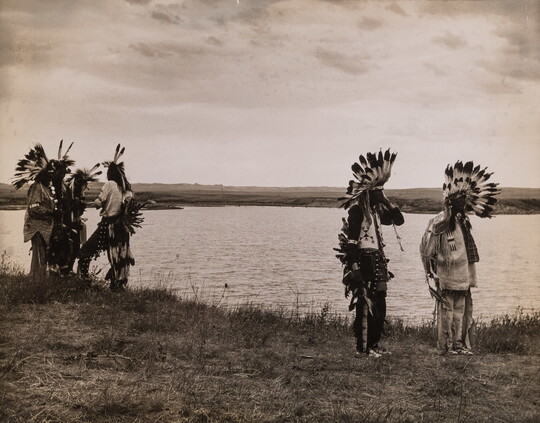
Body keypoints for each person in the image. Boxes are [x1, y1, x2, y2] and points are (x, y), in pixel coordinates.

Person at [420, 161, 501, 356]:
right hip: (446, 273)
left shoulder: (463, 220)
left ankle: (458, 344)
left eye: (465, 199)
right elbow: (427, 249)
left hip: (462, 274)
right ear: (450, 200)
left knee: (460, 311)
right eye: (460, 199)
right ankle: (446, 345)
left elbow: (465, 250)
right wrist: (432, 271)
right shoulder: (440, 221)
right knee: (447, 311)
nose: (463, 203)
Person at [336, 149, 404, 358]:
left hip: (378, 261)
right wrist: (354, 267)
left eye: (382, 192)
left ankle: (374, 344)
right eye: (377, 193)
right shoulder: (357, 211)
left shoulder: (376, 212)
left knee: (380, 303)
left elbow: (399, 220)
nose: (380, 196)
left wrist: (386, 200)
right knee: (366, 304)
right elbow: (352, 242)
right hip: (364, 261)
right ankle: (363, 348)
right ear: (368, 192)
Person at [78, 144, 135, 290]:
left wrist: (95, 202)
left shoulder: (109, 184)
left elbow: (99, 202)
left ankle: (84, 281)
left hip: (107, 225)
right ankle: (117, 285)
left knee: (85, 251)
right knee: (118, 256)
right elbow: (127, 203)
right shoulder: (127, 189)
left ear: (110, 173)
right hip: (121, 228)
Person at [12, 142, 74, 276]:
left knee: (45, 256)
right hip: (37, 228)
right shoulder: (37, 187)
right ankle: (36, 280)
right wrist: (52, 212)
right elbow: (34, 208)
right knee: (39, 256)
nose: (51, 176)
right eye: (49, 174)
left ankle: (42, 280)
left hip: (46, 227)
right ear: (42, 174)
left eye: (52, 173)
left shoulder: (46, 188)